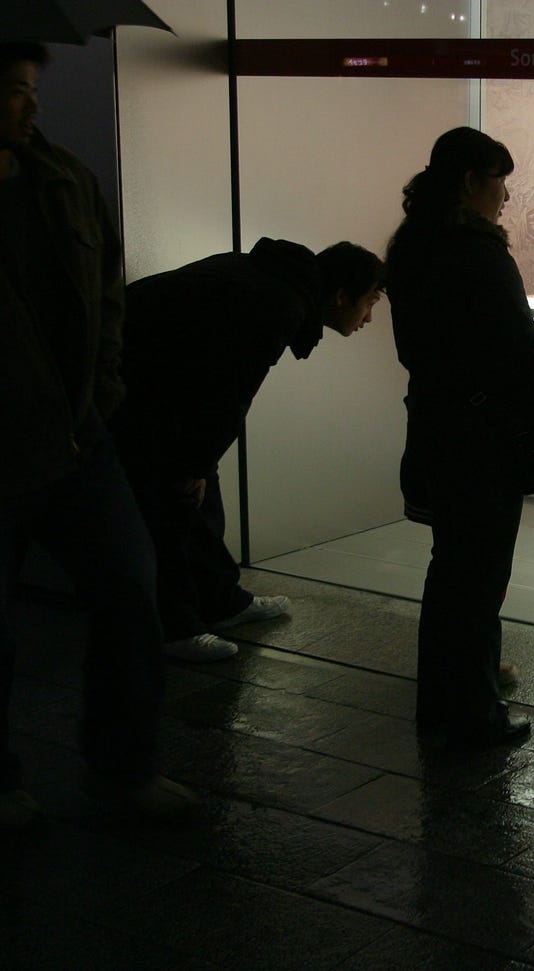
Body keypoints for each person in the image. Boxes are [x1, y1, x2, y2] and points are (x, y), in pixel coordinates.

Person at [0, 42, 197, 827]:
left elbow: (107, 295)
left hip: (78, 439)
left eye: (31, 89)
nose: (32, 104)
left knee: (128, 586)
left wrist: (101, 391)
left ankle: (124, 762)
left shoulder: (63, 181)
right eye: (14, 90)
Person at [110, 240, 384, 661]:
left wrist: (198, 464)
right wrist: (192, 466)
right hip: (134, 385)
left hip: (149, 379)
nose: (369, 317)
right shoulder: (277, 302)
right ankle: (174, 629)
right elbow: (226, 393)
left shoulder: (273, 281)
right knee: (173, 505)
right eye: (370, 301)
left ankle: (221, 602)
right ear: (341, 295)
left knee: (198, 491)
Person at [386, 127, 534, 746]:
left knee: (452, 570)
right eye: (500, 181)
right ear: (471, 182)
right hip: (484, 441)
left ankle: (451, 694)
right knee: (477, 578)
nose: (506, 196)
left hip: (439, 427)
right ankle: (471, 713)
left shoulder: (412, 242)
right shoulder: (477, 251)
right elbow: (516, 345)